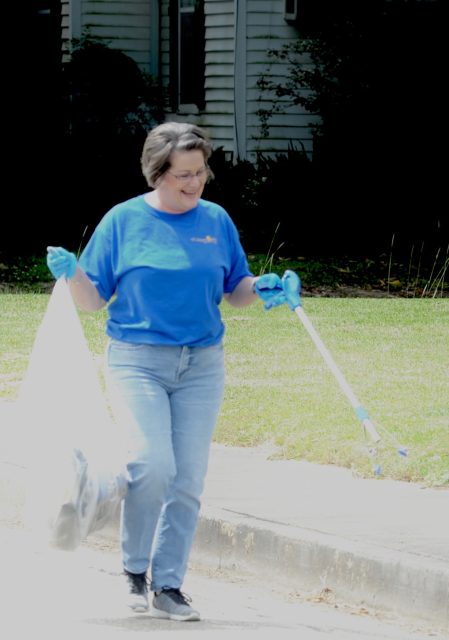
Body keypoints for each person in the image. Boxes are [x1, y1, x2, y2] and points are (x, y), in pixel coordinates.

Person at [46, 122, 295, 621]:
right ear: (156, 173)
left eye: (200, 172)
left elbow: (235, 287)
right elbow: (94, 300)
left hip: (202, 364)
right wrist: (73, 273)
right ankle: (134, 572)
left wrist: (264, 288)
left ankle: (170, 585)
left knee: (187, 479)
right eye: (182, 174)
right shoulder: (123, 221)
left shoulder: (216, 220)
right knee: (153, 465)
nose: (194, 183)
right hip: (137, 360)